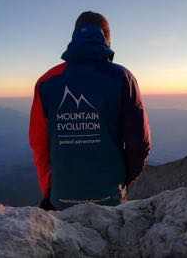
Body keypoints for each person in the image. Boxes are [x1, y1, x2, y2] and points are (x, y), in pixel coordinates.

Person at [29, 11, 151, 210]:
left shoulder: (47, 82)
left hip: (61, 200)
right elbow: (140, 144)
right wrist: (120, 183)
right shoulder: (123, 78)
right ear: (106, 39)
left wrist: (51, 192)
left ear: (74, 36)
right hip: (110, 200)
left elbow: (39, 144)